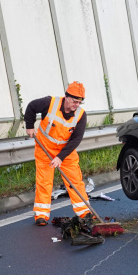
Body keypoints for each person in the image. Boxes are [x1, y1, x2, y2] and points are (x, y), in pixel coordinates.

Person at [25, 82, 90, 225]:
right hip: (45, 149)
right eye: (74, 101)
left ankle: (84, 213)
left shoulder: (80, 115)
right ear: (66, 97)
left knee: (75, 181)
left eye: (79, 102)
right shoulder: (50, 103)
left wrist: (60, 157)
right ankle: (41, 215)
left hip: (66, 152)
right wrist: (29, 127)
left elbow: (76, 139)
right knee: (44, 181)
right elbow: (31, 107)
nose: (76, 105)